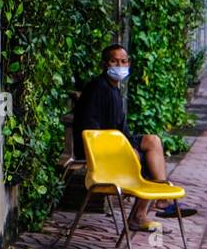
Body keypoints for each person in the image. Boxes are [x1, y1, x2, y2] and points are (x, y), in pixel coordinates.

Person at [72, 44, 196, 230]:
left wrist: (130, 146)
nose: (120, 65)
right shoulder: (98, 88)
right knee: (141, 159)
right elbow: (90, 130)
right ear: (104, 64)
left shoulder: (115, 90)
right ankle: (139, 215)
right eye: (114, 61)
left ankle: (162, 200)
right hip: (98, 150)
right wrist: (127, 150)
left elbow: (123, 130)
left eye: (124, 61)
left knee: (152, 141)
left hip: (117, 145)